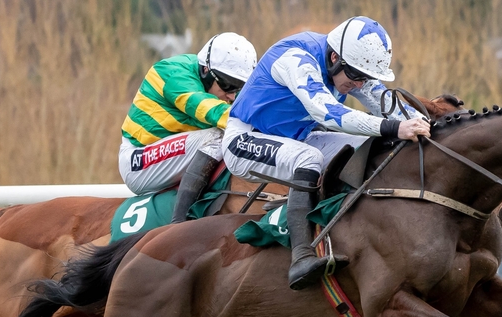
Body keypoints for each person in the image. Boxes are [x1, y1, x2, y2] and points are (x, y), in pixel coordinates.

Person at [222, 17, 431, 290]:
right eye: (356, 77)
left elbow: (387, 105)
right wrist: (394, 128)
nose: (360, 85)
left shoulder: (350, 65)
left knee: (367, 147)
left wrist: (434, 128)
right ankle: (301, 257)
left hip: (299, 137)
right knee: (309, 159)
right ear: (334, 58)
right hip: (244, 139)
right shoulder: (297, 58)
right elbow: (328, 113)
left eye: (365, 78)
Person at [118, 32, 257, 223]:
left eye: (239, 87)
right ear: (205, 70)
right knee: (218, 135)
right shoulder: (172, 73)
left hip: (173, 155)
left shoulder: (217, 80)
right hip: (138, 161)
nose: (232, 95)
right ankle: (179, 224)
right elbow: (213, 111)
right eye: (227, 85)